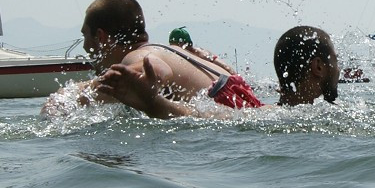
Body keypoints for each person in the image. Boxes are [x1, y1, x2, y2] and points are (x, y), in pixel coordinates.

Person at [42, 0, 261, 118]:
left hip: (226, 119)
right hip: (246, 107)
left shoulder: (138, 57)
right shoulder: (170, 49)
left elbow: (157, 69)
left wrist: (68, 96)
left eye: (85, 36)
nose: (85, 47)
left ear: (101, 37)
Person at [94, 25, 340, 118]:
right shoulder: (266, 116)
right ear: (318, 67)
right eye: (335, 60)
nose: (339, 69)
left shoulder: (251, 101)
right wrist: (152, 102)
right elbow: (196, 117)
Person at [169, 26, 238, 75]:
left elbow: (225, 67)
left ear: (184, 44)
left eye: (176, 46)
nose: (175, 50)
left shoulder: (199, 53)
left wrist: (235, 76)